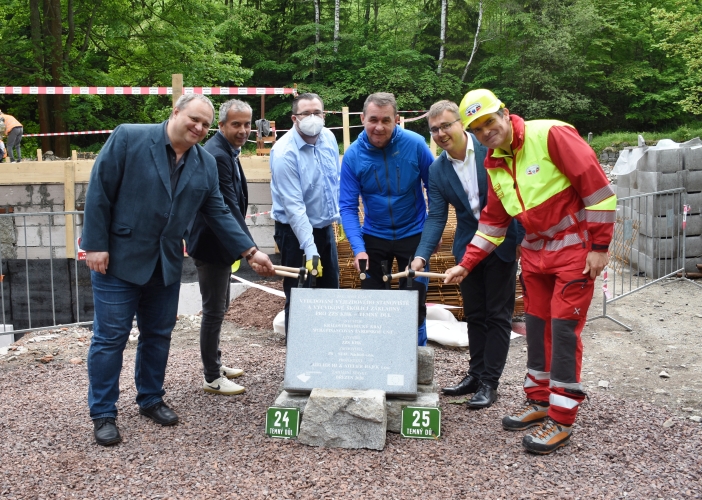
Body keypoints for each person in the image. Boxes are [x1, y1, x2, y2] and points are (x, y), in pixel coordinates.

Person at [81, 94, 275, 447]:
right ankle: (103, 412)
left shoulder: (204, 163)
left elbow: (217, 210)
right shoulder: (129, 137)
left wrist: (250, 251)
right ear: (176, 113)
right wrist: (94, 244)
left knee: (158, 335)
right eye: (194, 120)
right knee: (110, 339)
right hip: (118, 260)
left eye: (205, 123)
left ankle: (151, 398)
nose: (199, 128)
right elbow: (99, 191)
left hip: (166, 262)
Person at [444, 89, 616, 454]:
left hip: (575, 252)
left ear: (505, 113)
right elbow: (493, 223)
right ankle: (539, 401)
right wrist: (466, 264)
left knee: (563, 334)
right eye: (477, 128)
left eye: (489, 121)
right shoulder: (494, 162)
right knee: (536, 329)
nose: (486, 131)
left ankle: (562, 417)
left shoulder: (550, 135)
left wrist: (600, 248)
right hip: (536, 257)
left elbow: (599, 192)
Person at [410, 100, 523, 408]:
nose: (441, 133)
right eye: (434, 129)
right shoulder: (437, 169)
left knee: (497, 315)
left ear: (461, 124)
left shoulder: (492, 149)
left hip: (502, 245)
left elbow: (520, 196)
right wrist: (422, 255)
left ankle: (490, 382)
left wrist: (522, 242)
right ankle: (475, 374)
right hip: (466, 250)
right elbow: (436, 217)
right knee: (473, 314)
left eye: (446, 125)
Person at [339, 92, 434, 346]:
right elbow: (347, 207)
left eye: (386, 120)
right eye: (372, 120)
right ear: (362, 118)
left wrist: (427, 243)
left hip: (413, 235)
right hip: (374, 238)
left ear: (397, 120)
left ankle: (415, 361)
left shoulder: (415, 145)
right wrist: (358, 249)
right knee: (374, 306)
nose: (378, 127)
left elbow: (435, 191)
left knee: (414, 305)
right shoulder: (352, 156)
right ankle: (378, 360)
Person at [187, 99, 255, 396]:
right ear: (222, 125)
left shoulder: (228, 151)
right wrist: (250, 249)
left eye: (247, 124)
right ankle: (212, 376)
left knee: (220, 306)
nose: (243, 130)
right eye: (236, 124)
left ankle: (215, 362)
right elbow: (226, 206)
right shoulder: (216, 154)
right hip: (212, 244)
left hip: (221, 244)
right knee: (214, 310)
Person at [270, 93, 341, 340]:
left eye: (317, 113)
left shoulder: (329, 138)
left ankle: (328, 356)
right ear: (294, 118)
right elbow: (294, 207)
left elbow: (334, 181)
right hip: (293, 233)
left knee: (330, 293)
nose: (313, 118)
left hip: (324, 228)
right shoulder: (284, 153)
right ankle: (299, 367)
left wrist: (337, 216)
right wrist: (309, 250)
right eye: (306, 114)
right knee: (300, 298)